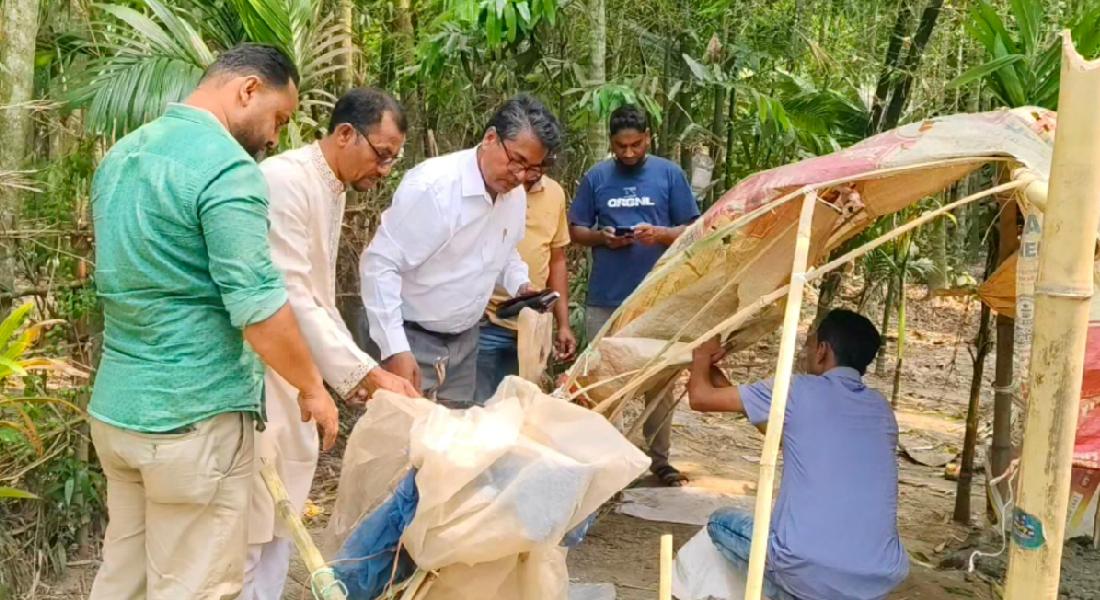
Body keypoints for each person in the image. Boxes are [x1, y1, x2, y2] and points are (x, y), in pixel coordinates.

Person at [88, 44, 341, 599]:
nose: (275, 138)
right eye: (279, 118)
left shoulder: (123, 155)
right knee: (195, 586)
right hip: (192, 421)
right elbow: (258, 309)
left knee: (125, 580)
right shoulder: (227, 169)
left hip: (118, 413)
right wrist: (311, 387)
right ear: (248, 90)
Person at [242, 88, 420, 599]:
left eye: (393, 159)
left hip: (296, 371)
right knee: (253, 520)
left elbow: (318, 297)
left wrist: (357, 373)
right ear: (345, 134)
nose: (384, 169)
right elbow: (290, 295)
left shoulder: (331, 185)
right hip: (265, 366)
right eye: (381, 154)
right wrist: (364, 373)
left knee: (279, 520)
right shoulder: (284, 180)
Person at [686, 309, 909, 600]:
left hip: (805, 564)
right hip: (879, 576)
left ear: (822, 350)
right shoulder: (881, 409)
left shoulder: (795, 389)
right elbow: (777, 434)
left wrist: (700, 356)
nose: (805, 351)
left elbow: (700, 398)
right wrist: (714, 373)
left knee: (720, 521)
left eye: (809, 343)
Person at [361, 94, 563, 406]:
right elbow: (379, 265)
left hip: (465, 344)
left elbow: (506, 250)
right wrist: (394, 348)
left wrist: (521, 286)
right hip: (411, 337)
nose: (520, 176)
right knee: (401, 431)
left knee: (455, 434)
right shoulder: (434, 189)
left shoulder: (514, 196)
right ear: (491, 138)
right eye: (517, 161)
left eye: (533, 169)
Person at [568, 103, 700, 486]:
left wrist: (660, 235)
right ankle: (608, 460)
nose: (628, 153)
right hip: (606, 297)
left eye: (636, 145)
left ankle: (659, 460)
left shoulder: (669, 175)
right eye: (620, 146)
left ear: (648, 138)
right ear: (611, 143)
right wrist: (602, 237)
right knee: (603, 379)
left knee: (660, 380)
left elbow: (695, 230)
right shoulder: (597, 177)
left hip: (658, 297)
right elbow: (575, 230)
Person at [475, 162, 577, 403]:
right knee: (479, 407)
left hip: (533, 325)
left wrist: (563, 324)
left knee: (522, 406)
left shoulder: (554, 193)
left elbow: (557, 260)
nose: (533, 170)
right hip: (487, 320)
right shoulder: (493, 188)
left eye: (542, 162)